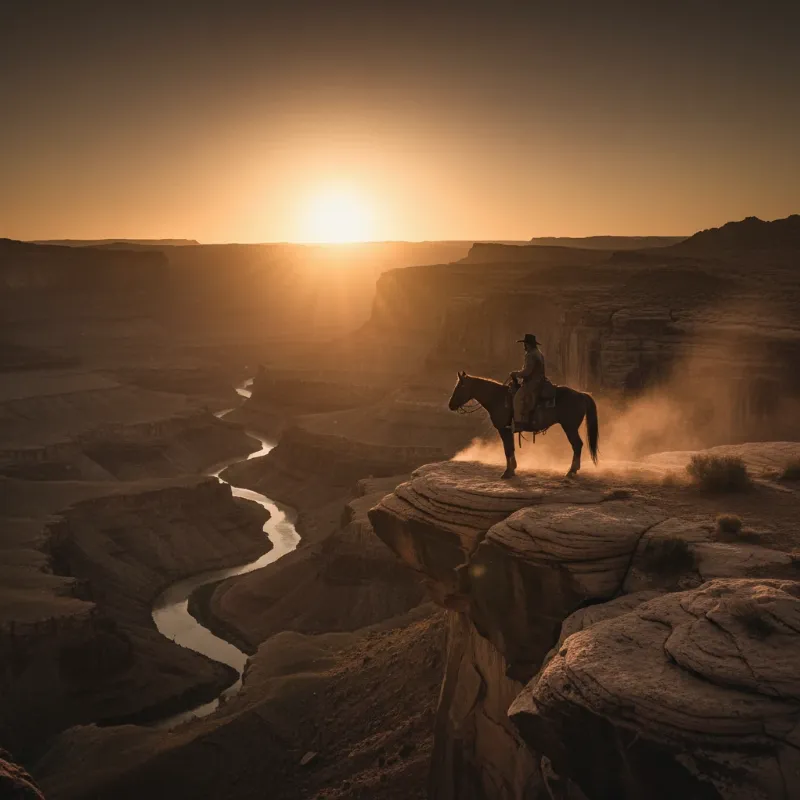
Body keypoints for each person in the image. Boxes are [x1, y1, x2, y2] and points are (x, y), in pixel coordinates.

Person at [510, 333, 545, 430]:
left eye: (525, 344)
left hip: (533, 382)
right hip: (540, 380)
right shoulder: (538, 353)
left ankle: (519, 423)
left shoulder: (531, 355)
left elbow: (527, 371)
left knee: (518, 398)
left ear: (528, 344)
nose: (524, 346)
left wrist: (516, 374)